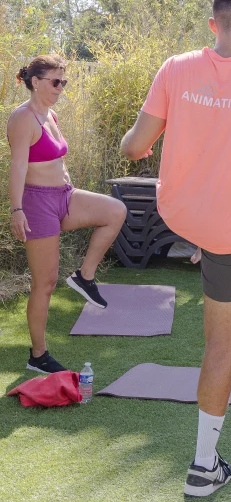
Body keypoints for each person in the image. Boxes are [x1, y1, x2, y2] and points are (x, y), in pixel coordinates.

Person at [120, 0, 231, 498]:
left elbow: (134, 147)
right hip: (228, 229)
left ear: (212, 24)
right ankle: (203, 467)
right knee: (220, 345)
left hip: (175, 211)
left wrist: (147, 140)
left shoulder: (174, 68)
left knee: (188, 222)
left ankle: (186, 243)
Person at [7, 53, 127, 374]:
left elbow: (57, 156)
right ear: (35, 82)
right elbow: (18, 167)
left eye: (64, 82)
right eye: (56, 82)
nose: (61, 87)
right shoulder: (23, 119)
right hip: (37, 204)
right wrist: (16, 209)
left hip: (64, 196)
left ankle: (84, 276)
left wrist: (68, 179)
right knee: (44, 283)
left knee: (115, 211)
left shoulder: (51, 115)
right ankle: (39, 354)